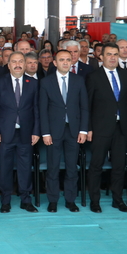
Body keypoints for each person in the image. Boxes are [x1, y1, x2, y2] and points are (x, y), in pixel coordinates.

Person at [86, 43, 127, 213]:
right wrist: (89, 128)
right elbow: (88, 105)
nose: (113, 57)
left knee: (119, 166)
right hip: (100, 128)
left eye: (116, 54)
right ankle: (95, 200)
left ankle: (117, 199)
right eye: (109, 54)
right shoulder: (93, 76)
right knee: (96, 166)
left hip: (121, 127)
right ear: (101, 56)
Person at [39, 50, 89, 213]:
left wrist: (83, 130)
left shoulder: (78, 80)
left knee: (71, 168)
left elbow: (84, 107)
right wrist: (45, 133)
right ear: (55, 63)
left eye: (68, 60)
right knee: (53, 167)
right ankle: (53, 200)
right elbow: (42, 110)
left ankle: (70, 200)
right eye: (62, 60)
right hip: (53, 132)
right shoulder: (46, 82)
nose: (66, 62)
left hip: (74, 131)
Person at [0, 52, 39, 213]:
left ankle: (26, 199)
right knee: (5, 167)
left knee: (25, 167)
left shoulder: (33, 83)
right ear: (8, 65)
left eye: (20, 62)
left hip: (26, 133)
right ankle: (5, 200)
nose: (17, 65)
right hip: (5, 133)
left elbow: (37, 110)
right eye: (14, 62)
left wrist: (36, 131)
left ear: (25, 65)